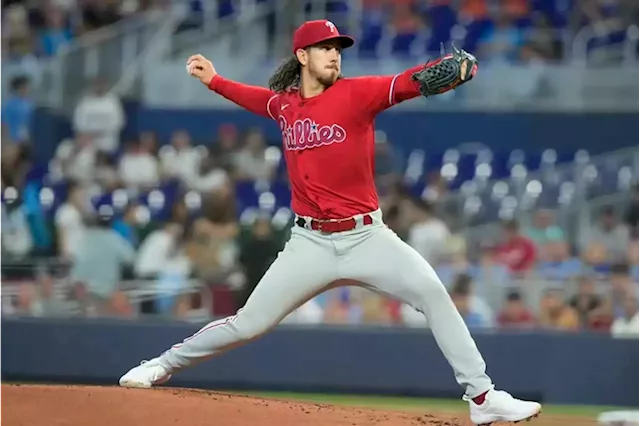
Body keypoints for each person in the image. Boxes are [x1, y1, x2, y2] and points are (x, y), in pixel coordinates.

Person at [119, 19, 541, 425]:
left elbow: (406, 83)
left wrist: (444, 73)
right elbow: (254, 98)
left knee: (433, 293)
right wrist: (214, 80)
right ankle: (160, 364)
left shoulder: (359, 94)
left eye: (338, 49)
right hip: (310, 244)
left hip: (368, 237)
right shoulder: (284, 105)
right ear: (302, 55)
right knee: (248, 324)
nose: (334, 55)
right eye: (325, 48)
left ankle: (482, 398)